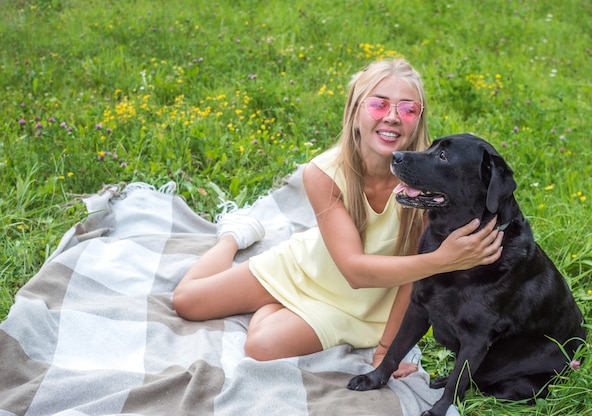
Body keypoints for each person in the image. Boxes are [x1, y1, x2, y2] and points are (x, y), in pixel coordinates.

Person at [173, 58, 503, 377]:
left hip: (360, 306)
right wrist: (443, 260)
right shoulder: (324, 173)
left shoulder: (427, 183)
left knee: (262, 346)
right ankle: (235, 235)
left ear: (419, 118)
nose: (392, 117)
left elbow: (410, 279)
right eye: (379, 105)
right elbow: (354, 269)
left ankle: (281, 310)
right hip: (310, 267)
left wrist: (385, 351)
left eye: (407, 108)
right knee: (187, 302)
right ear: (354, 109)